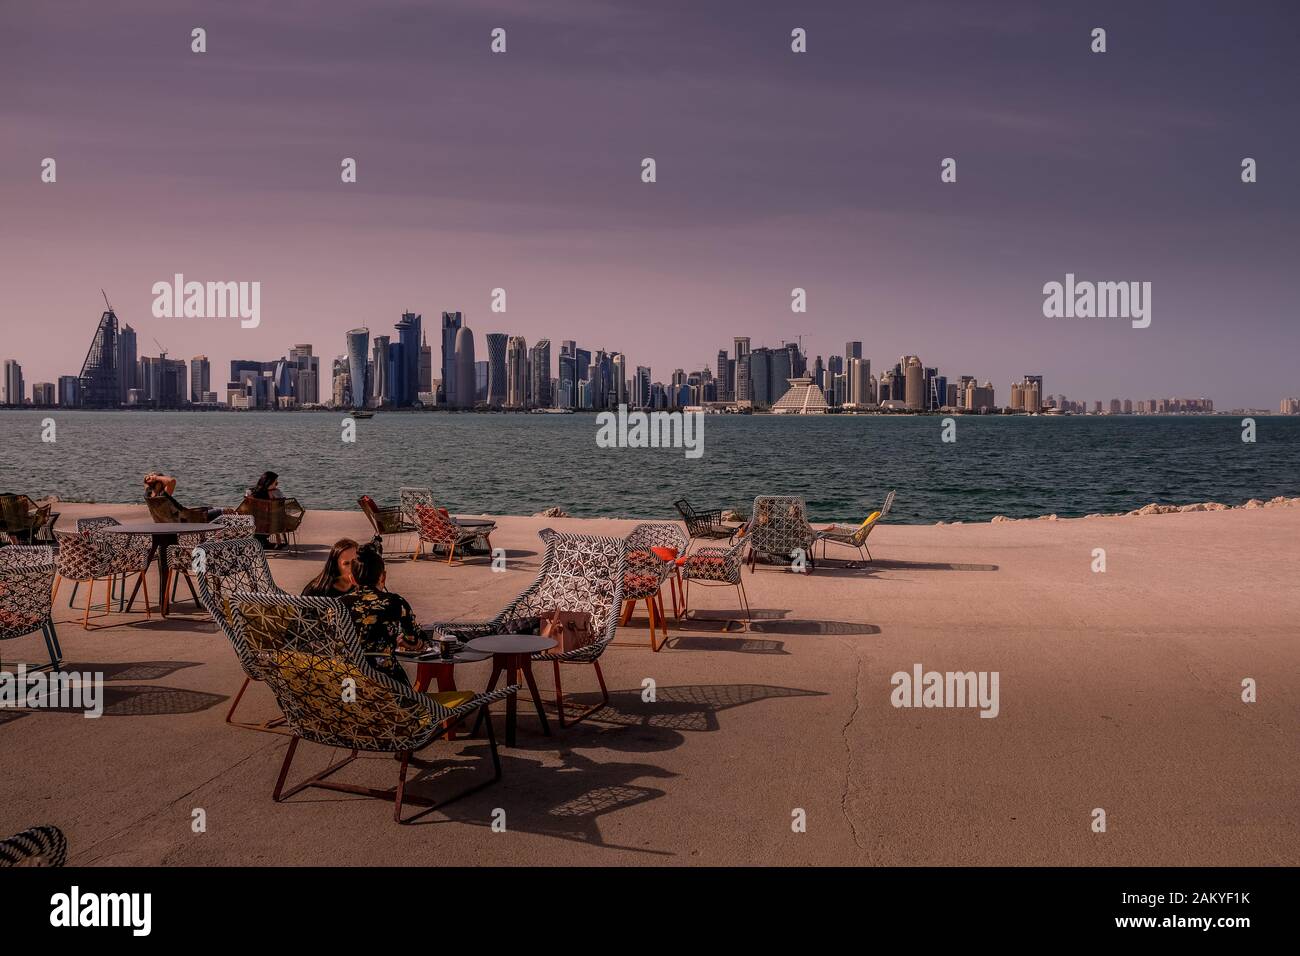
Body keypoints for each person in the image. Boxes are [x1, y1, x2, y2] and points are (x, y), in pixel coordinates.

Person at [341, 542, 425, 684]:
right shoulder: (395, 602)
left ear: (352, 579)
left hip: (348, 686)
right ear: (383, 577)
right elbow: (413, 639)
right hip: (386, 686)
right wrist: (411, 643)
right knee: (412, 698)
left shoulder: (338, 605)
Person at [247, 471, 286, 548]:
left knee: (260, 519)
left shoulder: (250, 492)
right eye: (276, 483)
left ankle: (261, 541)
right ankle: (263, 542)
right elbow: (281, 509)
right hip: (272, 525)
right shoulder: (276, 493)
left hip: (253, 523)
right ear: (268, 483)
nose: (277, 485)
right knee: (275, 518)